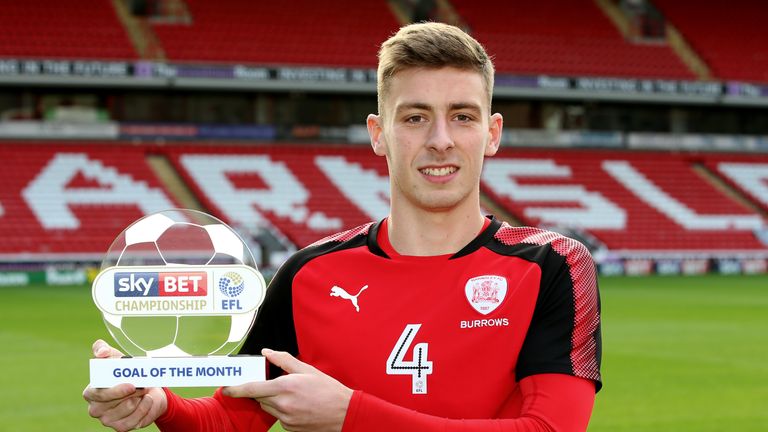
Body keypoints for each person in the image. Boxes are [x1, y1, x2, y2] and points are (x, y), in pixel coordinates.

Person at [84, 22, 602, 432]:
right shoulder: (309, 274)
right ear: (378, 134)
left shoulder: (552, 265)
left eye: (463, 116)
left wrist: (351, 417)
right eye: (415, 117)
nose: (441, 140)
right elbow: (231, 417)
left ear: (492, 134)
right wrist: (158, 403)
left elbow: (550, 429)